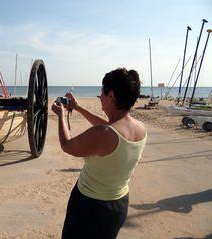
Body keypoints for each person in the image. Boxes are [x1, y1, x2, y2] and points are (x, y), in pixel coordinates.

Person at [52, 68, 147, 239]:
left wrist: (61, 115)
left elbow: (67, 145)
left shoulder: (103, 134)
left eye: (101, 92)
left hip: (90, 206)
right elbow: (110, 128)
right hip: (118, 205)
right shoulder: (140, 128)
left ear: (111, 96)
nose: (100, 96)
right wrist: (78, 108)